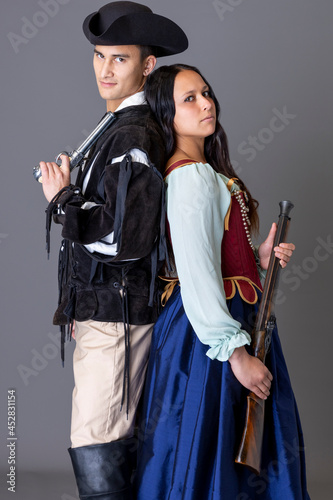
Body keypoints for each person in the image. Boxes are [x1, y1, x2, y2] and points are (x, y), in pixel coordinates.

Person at [134, 64, 311, 499]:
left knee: (231, 449)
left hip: (232, 318)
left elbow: (215, 256)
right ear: (165, 114)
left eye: (206, 93)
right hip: (210, 335)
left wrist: (258, 257)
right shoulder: (190, 177)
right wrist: (235, 354)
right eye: (189, 99)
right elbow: (196, 271)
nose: (206, 103)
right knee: (212, 448)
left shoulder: (202, 170)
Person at [38, 3, 188, 499]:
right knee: (106, 438)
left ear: (147, 65)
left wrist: (62, 201)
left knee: (99, 439)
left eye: (119, 59)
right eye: (100, 56)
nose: (105, 69)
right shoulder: (114, 125)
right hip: (104, 314)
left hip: (118, 319)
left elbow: (127, 240)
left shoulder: (134, 132)